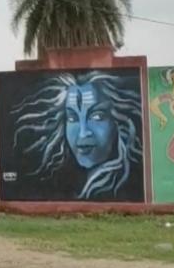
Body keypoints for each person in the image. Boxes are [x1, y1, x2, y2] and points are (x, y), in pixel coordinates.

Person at [10, 71, 142, 200]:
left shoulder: (135, 181)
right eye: (72, 118)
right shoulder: (54, 183)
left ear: (118, 121)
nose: (83, 133)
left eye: (97, 116)